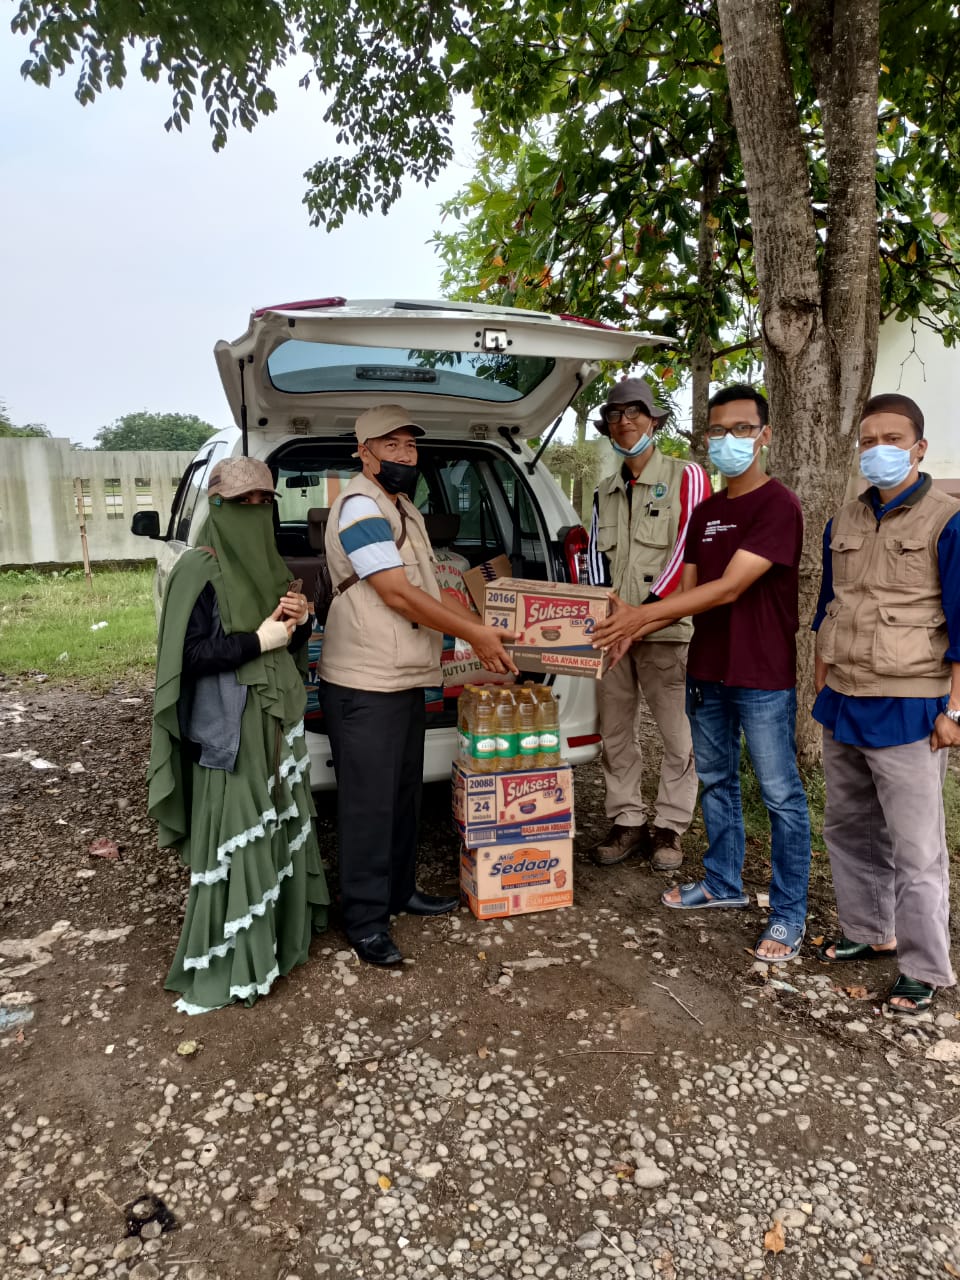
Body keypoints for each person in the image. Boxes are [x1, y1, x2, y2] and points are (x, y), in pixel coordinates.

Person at [593, 384, 811, 963]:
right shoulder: (709, 511)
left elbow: (733, 586)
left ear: (765, 435)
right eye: (718, 431)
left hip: (761, 675)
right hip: (707, 668)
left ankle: (789, 913)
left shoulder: (778, 505)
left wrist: (639, 615)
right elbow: (689, 594)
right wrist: (627, 629)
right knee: (716, 782)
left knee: (780, 795)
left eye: (742, 429)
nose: (729, 441)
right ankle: (721, 883)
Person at [319, 405, 517, 968]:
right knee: (368, 806)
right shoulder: (360, 506)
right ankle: (364, 920)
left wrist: (489, 617)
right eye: (392, 446)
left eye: (410, 447)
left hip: (404, 675)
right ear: (364, 452)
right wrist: (476, 634)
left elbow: (431, 586)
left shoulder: (402, 506)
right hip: (365, 681)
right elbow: (397, 593)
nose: (405, 456)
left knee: (403, 795)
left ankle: (399, 889)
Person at [148, 456, 330, 1014]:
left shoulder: (270, 562)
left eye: (264, 502)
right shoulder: (197, 569)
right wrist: (259, 642)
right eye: (241, 502)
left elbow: (287, 641)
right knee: (241, 824)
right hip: (232, 722)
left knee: (278, 815)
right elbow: (188, 656)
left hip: (277, 715)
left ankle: (279, 933)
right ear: (217, 505)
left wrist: (297, 622)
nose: (254, 511)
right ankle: (234, 956)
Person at [812, 393, 960, 1015]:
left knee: (916, 847)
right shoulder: (843, 520)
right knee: (848, 827)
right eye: (869, 440)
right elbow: (827, 608)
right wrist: (820, 683)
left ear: (920, 447)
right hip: (843, 700)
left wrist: (956, 713)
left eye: (893, 439)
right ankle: (868, 930)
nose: (879, 451)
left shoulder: (946, 520)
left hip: (911, 706)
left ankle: (925, 966)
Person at [587, 377, 710, 871]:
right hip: (613, 634)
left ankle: (670, 827)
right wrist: (608, 614)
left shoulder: (687, 476)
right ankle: (628, 820)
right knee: (614, 732)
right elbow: (597, 560)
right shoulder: (604, 490)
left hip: (667, 629)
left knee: (678, 736)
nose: (625, 421)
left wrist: (645, 613)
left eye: (635, 411)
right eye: (616, 415)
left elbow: (689, 548)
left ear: (654, 420)